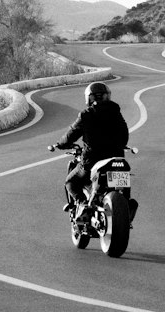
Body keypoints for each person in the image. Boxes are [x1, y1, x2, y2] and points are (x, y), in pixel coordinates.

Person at [52, 81, 129, 218]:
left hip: (92, 161)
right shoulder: (116, 112)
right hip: (116, 160)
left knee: (71, 182)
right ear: (107, 96)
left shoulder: (86, 114)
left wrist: (60, 144)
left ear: (89, 98)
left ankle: (82, 205)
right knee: (123, 182)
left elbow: (71, 134)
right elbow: (125, 135)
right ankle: (127, 205)